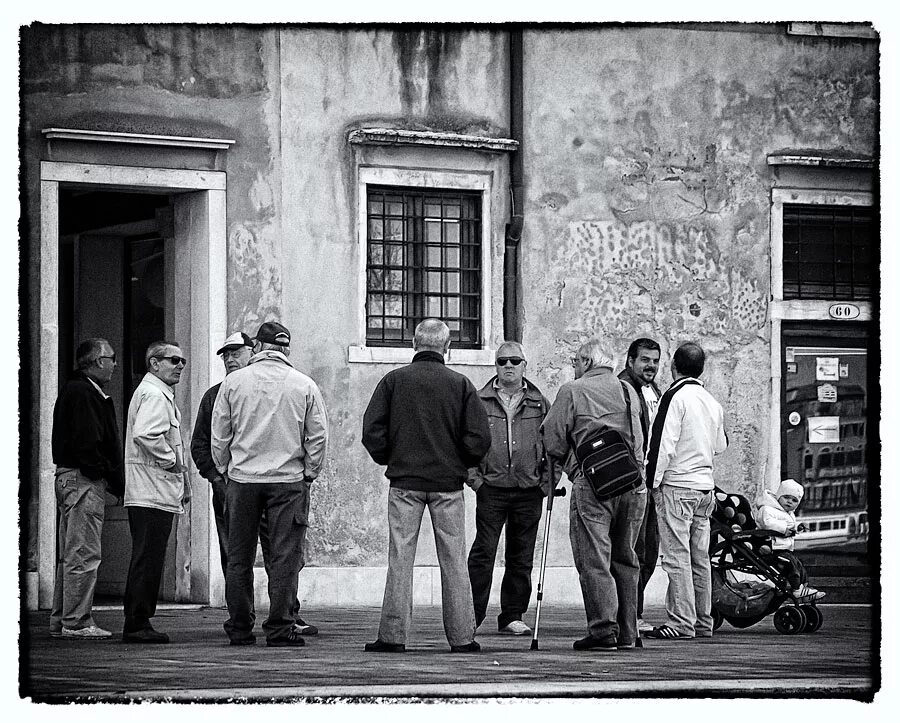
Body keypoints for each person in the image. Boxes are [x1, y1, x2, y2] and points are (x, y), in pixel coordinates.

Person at [362, 319, 491, 653]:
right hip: (448, 486)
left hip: (405, 484)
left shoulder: (393, 382)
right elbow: (479, 438)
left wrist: (391, 457)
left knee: (400, 560)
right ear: (447, 347)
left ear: (414, 344)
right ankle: (463, 637)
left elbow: (372, 432)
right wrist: (460, 462)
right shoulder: (461, 384)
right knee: (454, 561)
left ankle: (392, 636)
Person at [190, 331, 316, 635]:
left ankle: (267, 619)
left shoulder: (233, 387)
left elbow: (219, 438)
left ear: (255, 350)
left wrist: (227, 470)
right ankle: (271, 623)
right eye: (225, 355)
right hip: (266, 483)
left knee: (261, 556)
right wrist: (219, 476)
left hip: (242, 481)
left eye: (237, 352)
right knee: (258, 555)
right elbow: (204, 442)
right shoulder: (300, 384)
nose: (231, 359)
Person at [542, 338, 646, 651]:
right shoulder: (628, 390)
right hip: (631, 482)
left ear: (587, 362)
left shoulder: (572, 391)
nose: (573, 368)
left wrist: (566, 472)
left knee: (594, 558)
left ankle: (603, 631)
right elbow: (639, 439)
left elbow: (553, 439)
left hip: (593, 485)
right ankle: (628, 633)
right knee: (626, 558)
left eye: (575, 361)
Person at [466, 341, 553, 636]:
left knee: (521, 554)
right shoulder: (479, 400)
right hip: (491, 489)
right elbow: (465, 444)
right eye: (502, 361)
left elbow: (555, 444)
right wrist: (475, 481)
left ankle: (512, 615)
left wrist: (546, 484)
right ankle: (471, 615)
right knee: (483, 552)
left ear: (524, 366)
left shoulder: (540, 403)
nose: (508, 366)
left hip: (529, 490)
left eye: (515, 361)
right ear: (496, 366)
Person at [643, 342, 728, 640]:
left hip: (678, 486)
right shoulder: (712, 401)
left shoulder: (674, 397)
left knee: (676, 556)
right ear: (702, 368)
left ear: (673, 367)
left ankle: (681, 622)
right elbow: (721, 445)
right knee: (699, 557)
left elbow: (661, 445)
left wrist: (651, 484)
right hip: (705, 489)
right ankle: (703, 622)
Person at [50, 338, 124, 639]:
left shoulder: (78, 390)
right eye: (111, 358)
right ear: (96, 361)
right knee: (83, 552)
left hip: (71, 477)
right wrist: (105, 476)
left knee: (71, 553)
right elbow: (89, 442)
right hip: (82, 479)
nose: (115, 364)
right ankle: (76, 621)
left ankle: (63, 619)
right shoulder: (83, 393)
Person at [122, 341, 191, 644]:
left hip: (154, 490)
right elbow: (146, 434)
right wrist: (172, 462)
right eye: (174, 360)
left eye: (183, 361)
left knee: (148, 557)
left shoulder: (158, 393)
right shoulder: (154, 394)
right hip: (150, 490)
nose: (180, 366)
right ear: (154, 363)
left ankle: (139, 620)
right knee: (148, 558)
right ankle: (137, 623)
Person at [617, 337, 662, 634]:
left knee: (649, 550)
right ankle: (631, 615)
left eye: (656, 361)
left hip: (651, 481)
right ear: (631, 360)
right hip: (633, 482)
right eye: (646, 360)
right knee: (635, 550)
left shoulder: (654, 391)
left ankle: (634, 612)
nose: (651, 366)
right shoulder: (623, 388)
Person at [754, 478, 825, 600]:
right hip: (770, 549)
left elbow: (791, 527)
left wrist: (798, 527)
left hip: (783, 549)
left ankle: (804, 587)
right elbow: (767, 523)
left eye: (794, 500)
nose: (789, 502)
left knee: (798, 564)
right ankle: (797, 589)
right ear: (778, 496)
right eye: (786, 497)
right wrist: (784, 529)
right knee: (790, 564)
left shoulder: (788, 514)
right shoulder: (767, 509)